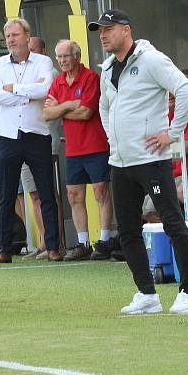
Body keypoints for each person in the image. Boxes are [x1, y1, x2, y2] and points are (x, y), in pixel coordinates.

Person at [91, 8, 188, 315]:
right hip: (120, 161)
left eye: (108, 29)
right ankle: (146, 294)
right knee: (126, 230)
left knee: (172, 222)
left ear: (126, 30)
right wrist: (113, 139)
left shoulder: (152, 59)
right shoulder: (107, 67)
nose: (103, 34)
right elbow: (103, 106)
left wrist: (172, 133)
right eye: (100, 30)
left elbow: (186, 91)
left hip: (151, 160)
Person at [0, 18, 61, 264]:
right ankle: (4, 249)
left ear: (27, 36)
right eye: (8, 36)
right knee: (7, 195)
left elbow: (45, 90)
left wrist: (14, 89)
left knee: (46, 192)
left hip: (36, 134)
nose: (11, 40)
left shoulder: (44, 62)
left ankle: (52, 247)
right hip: (7, 135)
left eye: (15, 35)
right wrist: (26, 91)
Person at [44, 40, 115, 262]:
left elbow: (86, 112)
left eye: (66, 56)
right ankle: (83, 243)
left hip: (96, 145)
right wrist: (68, 105)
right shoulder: (57, 82)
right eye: (59, 57)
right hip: (73, 148)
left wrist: (60, 108)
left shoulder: (91, 77)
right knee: (74, 195)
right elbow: (46, 114)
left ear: (77, 56)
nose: (63, 61)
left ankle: (103, 241)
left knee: (100, 192)